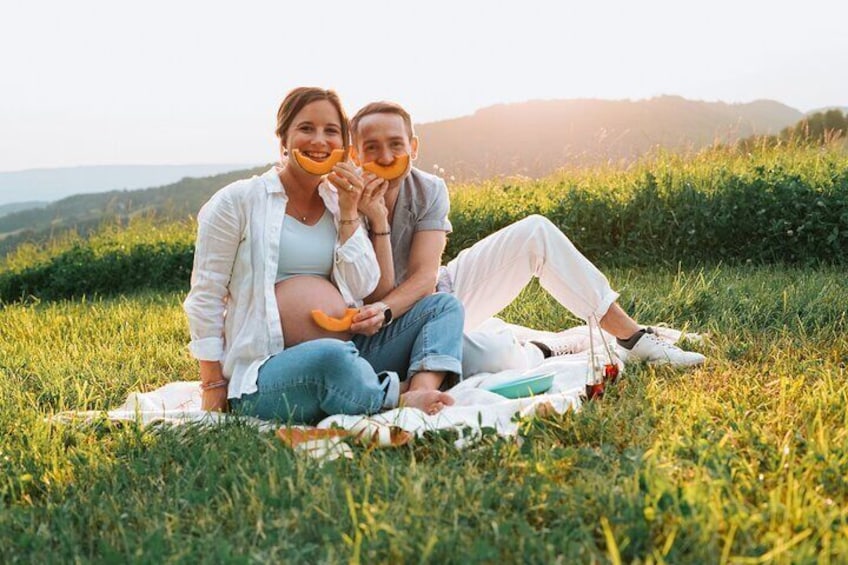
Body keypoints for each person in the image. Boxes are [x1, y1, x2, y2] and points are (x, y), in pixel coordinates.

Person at [346, 101, 706, 373]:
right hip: (383, 330)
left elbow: (425, 277)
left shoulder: (428, 189)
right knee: (492, 358)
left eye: (396, 144)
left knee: (535, 231)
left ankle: (633, 336)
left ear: (414, 147)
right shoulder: (340, 198)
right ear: (353, 154)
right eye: (371, 147)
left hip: (438, 299)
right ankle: (567, 344)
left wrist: (386, 308)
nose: (385, 156)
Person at [183, 87, 460, 424]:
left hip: (353, 350)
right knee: (329, 357)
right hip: (270, 369)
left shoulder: (337, 201)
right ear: (283, 138)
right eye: (306, 128)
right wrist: (213, 384)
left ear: (343, 146)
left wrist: (349, 212)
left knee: (443, 305)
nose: (319, 140)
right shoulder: (238, 201)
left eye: (331, 131)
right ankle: (395, 395)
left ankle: (416, 390)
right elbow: (206, 297)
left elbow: (367, 286)